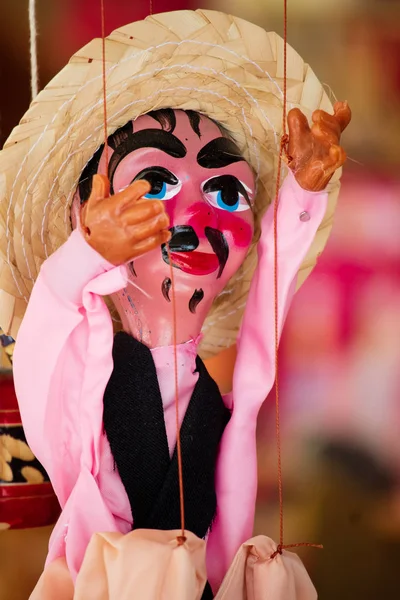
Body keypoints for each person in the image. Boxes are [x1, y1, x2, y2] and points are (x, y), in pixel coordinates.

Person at [0, 10, 350, 599]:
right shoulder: (80, 383)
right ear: (80, 213)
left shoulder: (219, 405)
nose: (193, 218)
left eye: (225, 191)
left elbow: (272, 299)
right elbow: (43, 331)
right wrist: (85, 254)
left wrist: (299, 196)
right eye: (156, 185)